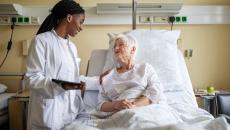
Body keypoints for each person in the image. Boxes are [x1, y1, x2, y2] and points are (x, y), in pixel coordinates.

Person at [23, 0, 88, 130]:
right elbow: (32, 78)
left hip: (70, 113)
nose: (81, 27)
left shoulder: (72, 47)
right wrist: (61, 85)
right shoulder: (41, 41)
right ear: (69, 18)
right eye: (81, 22)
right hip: (48, 113)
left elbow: (69, 75)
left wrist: (75, 84)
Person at [98, 34, 166, 112]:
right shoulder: (107, 77)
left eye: (121, 45)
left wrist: (133, 105)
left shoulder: (145, 68)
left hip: (145, 108)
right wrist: (116, 104)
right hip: (120, 112)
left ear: (132, 49)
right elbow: (101, 105)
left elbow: (156, 91)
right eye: (114, 46)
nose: (116, 48)